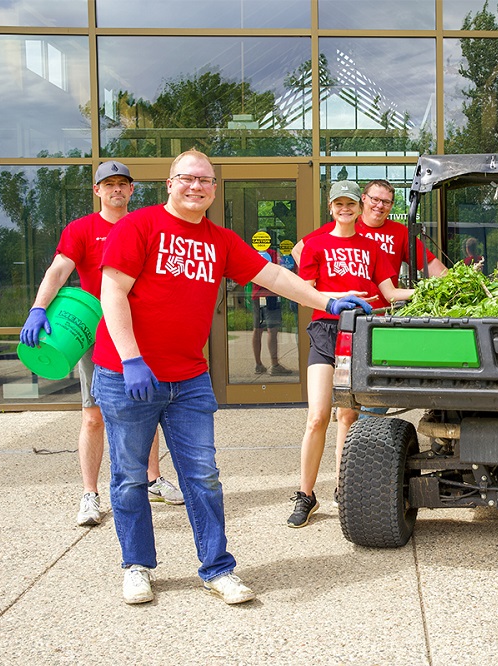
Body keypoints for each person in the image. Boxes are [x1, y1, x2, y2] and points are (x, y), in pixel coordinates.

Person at [91, 151, 371, 605]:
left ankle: (216, 568)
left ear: (214, 189)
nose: (196, 186)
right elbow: (112, 292)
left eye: (205, 180)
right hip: (128, 375)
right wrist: (131, 358)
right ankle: (137, 565)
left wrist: (326, 299)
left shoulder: (219, 241)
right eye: (187, 178)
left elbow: (275, 275)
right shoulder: (137, 226)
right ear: (169, 183)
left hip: (188, 379)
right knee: (128, 477)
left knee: (202, 476)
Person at [20, 161, 183, 529]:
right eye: (108, 185)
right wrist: (38, 308)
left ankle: (153, 480)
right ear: (97, 191)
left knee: (148, 408)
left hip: (142, 333)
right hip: (96, 336)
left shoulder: (146, 226)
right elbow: (58, 271)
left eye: (122, 184)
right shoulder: (82, 230)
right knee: (93, 415)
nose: (116, 190)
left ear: (132, 190)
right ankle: (90, 494)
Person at [287, 180, 414, 528]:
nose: (345, 209)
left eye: (351, 204)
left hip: (359, 333)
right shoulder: (315, 245)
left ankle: (345, 486)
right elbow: (305, 292)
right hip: (326, 332)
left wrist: (427, 292)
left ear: (359, 209)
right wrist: (342, 292)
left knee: (348, 417)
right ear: (331, 208)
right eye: (339, 204)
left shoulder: (373, 249)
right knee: (317, 417)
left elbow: (388, 291)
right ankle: (305, 495)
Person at [292, 178, 448, 285]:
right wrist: (321, 286)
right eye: (375, 199)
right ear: (364, 199)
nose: (379, 206)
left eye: (386, 202)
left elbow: (432, 266)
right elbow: (298, 250)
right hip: (343, 314)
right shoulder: (341, 226)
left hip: (382, 315)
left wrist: (458, 283)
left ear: (391, 205)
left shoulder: (400, 233)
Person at [251, 246, 294, 376]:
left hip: (257, 295)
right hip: (271, 294)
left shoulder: (252, 253)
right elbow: (280, 272)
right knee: (272, 330)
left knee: (257, 329)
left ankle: (258, 364)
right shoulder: (273, 254)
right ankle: (274, 365)